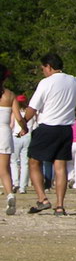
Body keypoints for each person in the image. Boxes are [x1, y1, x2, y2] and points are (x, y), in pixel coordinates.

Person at [24, 53, 76, 215]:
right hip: (66, 128)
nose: (43, 71)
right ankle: (60, 205)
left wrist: (23, 123)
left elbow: (33, 107)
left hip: (48, 126)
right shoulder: (74, 81)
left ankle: (42, 198)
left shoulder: (46, 83)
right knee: (60, 167)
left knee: (34, 161)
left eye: (43, 68)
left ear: (48, 67)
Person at [0, 66, 28, 215]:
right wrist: (25, 127)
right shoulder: (10, 95)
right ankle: (10, 194)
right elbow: (18, 118)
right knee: (4, 169)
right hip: (4, 131)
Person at [11, 94, 31, 194]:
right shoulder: (30, 112)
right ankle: (23, 187)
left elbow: (11, 125)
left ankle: (16, 182)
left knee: (13, 161)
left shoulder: (15, 112)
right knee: (25, 163)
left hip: (16, 136)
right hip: (28, 137)